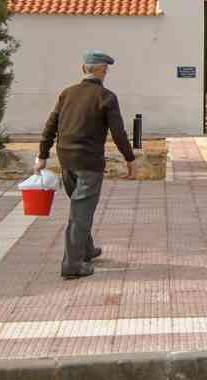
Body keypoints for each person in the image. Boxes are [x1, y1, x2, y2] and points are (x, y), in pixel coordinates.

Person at [36, 51, 137, 279]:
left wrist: (42, 155)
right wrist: (130, 159)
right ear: (104, 71)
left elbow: (51, 125)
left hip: (66, 160)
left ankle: (86, 250)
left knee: (80, 208)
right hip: (89, 163)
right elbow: (118, 133)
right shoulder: (106, 97)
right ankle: (72, 266)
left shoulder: (67, 93)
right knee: (80, 214)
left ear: (84, 69)